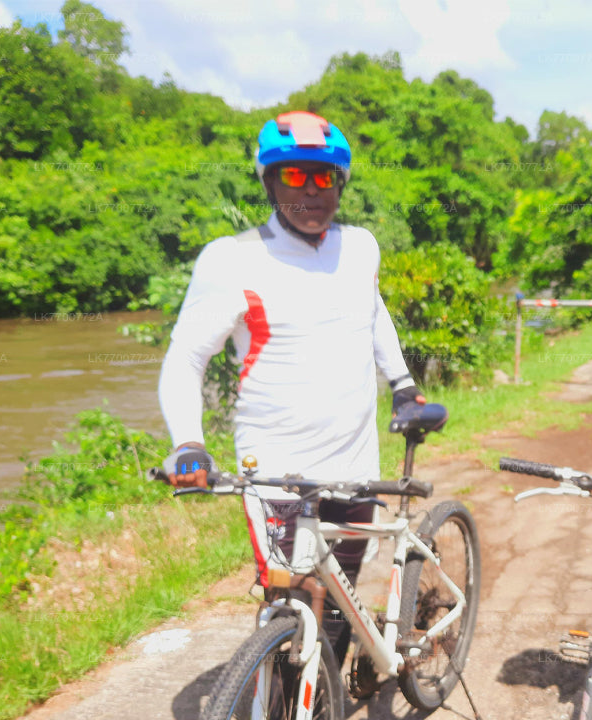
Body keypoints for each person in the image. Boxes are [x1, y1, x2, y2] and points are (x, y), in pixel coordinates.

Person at [156, 110, 424, 675]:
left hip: (356, 461)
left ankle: (326, 691)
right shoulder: (232, 259)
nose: (310, 191)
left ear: (340, 183)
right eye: (294, 176)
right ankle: (289, 693)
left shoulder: (361, 248)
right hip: (276, 470)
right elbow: (186, 357)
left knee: (342, 589)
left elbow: (372, 313)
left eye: (323, 178)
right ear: (269, 182)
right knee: (293, 597)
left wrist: (402, 384)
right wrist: (187, 443)